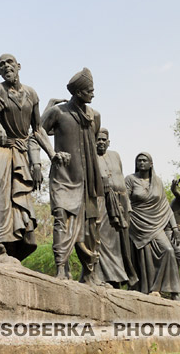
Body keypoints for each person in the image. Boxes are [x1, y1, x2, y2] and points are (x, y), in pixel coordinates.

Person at [0, 54, 53, 260]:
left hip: (19, 153)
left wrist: (51, 155)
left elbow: (37, 130)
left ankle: (16, 246)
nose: (6, 66)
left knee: (18, 199)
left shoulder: (31, 94)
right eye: (1, 65)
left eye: (9, 62)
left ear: (18, 66)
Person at [39, 68, 103, 282]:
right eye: (89, 91)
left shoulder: (95, 116)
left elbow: (92, 143)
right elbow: (38, 131)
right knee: (61, 218)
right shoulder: (59, 112)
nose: (93, 94)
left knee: (89, 225)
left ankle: (89, 273)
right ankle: (60, 268)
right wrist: (53, 153)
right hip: (64, 176)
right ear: (78, 92)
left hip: (87, 178)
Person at [125, 152, 180, 297]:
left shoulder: (158, 182)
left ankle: (173, 292)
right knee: (144, 257)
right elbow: (125, 199)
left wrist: (174, 228)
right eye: (139, 160)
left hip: (156, 224)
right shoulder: (130, 179)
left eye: (144, 160)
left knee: (169, 250)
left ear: (151, 164)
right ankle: (148, 289)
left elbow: (166, 207)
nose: (141, 163)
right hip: (137, 224)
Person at [94, 128, 138, 288]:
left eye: (103, 140)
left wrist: (128, 205)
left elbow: (120, 175)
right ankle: (104, 277)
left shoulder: (115, 155)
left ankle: (118, 278)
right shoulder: (90, 155)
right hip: (103, 202)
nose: (100, 142)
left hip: (121, 203)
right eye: (98, 139)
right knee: (104, 240)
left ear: (108, 142)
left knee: (121, 243)